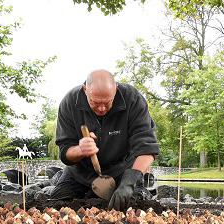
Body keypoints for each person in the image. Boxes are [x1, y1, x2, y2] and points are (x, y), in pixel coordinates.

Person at [53, 69, 160, 211]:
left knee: (131, 206)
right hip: (80, 172)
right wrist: (80, 150)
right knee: (56, 205)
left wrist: (129, 183)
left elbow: (147, 149)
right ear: (85, 90)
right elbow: (65, 153)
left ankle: (134, 190)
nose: (102, 108)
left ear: (115, 90)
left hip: (122, 171)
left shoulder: (133, 99)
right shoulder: (69, 102)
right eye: (95, 102)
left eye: (107, 102)